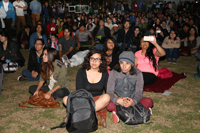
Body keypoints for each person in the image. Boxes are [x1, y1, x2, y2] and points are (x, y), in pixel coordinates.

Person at [63, 49, 110, 127]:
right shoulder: (81, 71)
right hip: (83, 99)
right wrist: (86, 103)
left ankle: (78, 116)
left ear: (101, 61)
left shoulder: (104, 73)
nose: (94, 61)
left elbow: (108, 90)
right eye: (92, 58)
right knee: (65, 99)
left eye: (97, 59)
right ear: (89, 60)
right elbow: (80, 91)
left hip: (97, 102)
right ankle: (92, 116)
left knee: (107, 97)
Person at [106, 51, 154, 123]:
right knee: (109, 105)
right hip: (118, 98)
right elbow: (109, 91)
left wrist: (133, 102)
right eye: (122, 63)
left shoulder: (138, 73)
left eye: (127, 63)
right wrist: (118, 100)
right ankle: (141, 110)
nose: (124, 66)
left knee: (149, 101)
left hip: (132, 98)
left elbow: (139, 92)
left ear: (131, 64)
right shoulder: (114, 72)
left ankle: (118, 112)